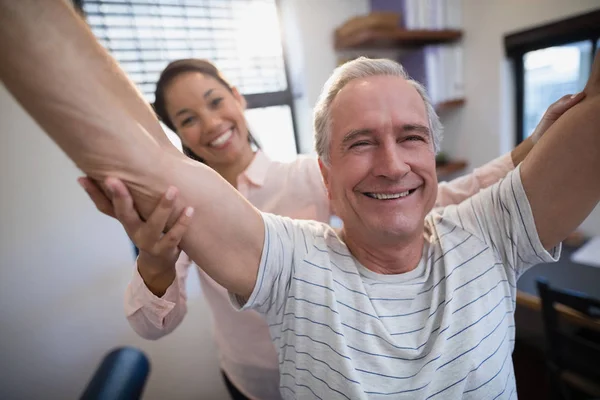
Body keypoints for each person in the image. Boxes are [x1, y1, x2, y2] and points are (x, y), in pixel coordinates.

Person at [1, 1, 599, 399]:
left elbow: (445, 196)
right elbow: (153, 309)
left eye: (411, 136)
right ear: (329, 172)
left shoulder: (480, 231)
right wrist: (154, 263)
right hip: (252, 379)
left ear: (236, 98)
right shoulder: (288, 253)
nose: (390, 165)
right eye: (360, 143)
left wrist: (526, 157)